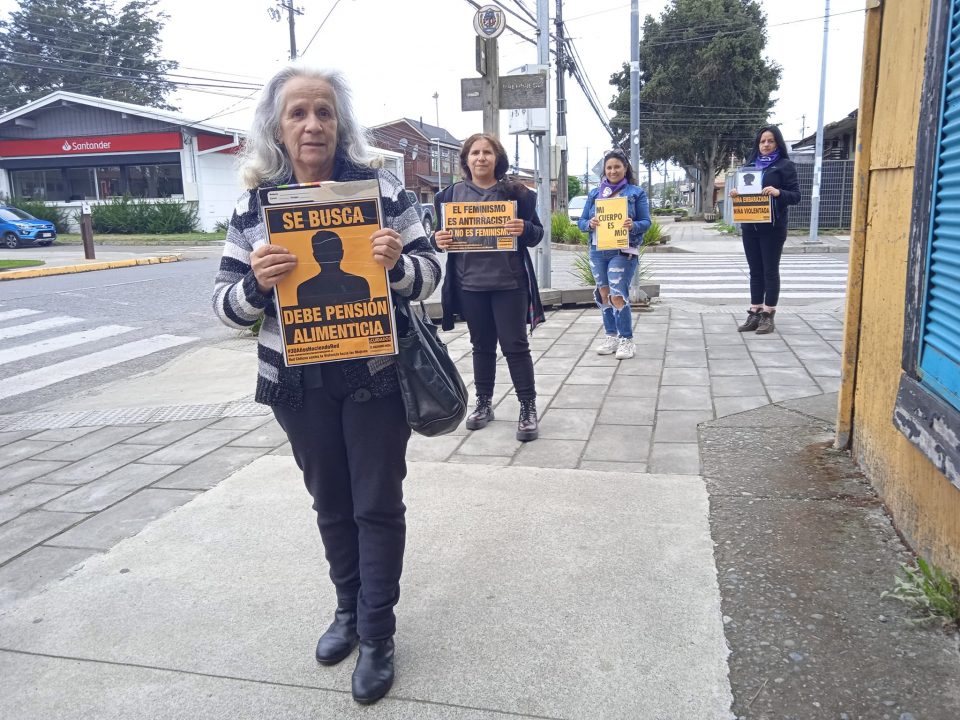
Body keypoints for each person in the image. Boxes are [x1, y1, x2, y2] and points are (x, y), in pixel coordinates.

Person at [212, 65, 440, 706]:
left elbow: (430, 278)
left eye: (324, 112)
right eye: (298, 113)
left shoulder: (382, 192)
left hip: (373, 373)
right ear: (278, 128)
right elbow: (224, 307)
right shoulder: (255, 205)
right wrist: (255, 283)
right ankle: (346, 611)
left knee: (376, 502)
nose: (312, 124)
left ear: (340, 122)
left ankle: (378, 632)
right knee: (331, 502)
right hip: (297, 382)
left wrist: (398, 266)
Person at [434, 133, 545, 442]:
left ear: (498, 159)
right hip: (470, 285)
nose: (481, 158)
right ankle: (483, 403)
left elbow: (537, 235)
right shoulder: (449, 196)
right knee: (481, 347)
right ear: (466, 160)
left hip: (510, 284)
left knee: (515, 347)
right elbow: (435, 237)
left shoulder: (517, 194)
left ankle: (527, 407)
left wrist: (524, 229)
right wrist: (436, 240)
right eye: (475, 153)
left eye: (487, 153)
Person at [577, 148, 651, 359]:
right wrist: (589, 223)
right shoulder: (595, 194)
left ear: (625, 168)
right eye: (609, 167)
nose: (612, 171)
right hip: (598, 250)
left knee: (618, 293)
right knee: (604, 293)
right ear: (604, 170)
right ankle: (611, 336)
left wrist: (632, 225)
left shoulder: (636, 193)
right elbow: (581, 223)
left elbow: (646, 222)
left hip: (623, 251)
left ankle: (626, 340)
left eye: (617, 166)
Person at [728, 124, 801, 334]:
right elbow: (745, 193)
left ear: (777, 142)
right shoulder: (749, 167)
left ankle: (768, 314)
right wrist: (736, 194)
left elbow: (796, 196)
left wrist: (778, 192)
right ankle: (755, 311)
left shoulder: (785, 165)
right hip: (750, 225)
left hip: (773, 227)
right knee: (755, 271)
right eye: (762, 141)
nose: (766, 145)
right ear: (757, 144)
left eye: (770, 141)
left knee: (770, 270)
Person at [297, 229, 371, 307]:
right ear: (316, 256)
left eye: (333, 250)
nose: (329, 256)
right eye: (323, 252)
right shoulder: (304, 290)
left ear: (341, 253)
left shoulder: (359, 284)